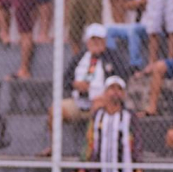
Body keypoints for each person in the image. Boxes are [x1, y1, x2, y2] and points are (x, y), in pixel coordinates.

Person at [40, 23, 129, 156]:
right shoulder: (80, 57)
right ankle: (54, 148)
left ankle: (92, 151)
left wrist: (106, 95)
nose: (96, 43)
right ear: (87, 41)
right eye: (93, 40)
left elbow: (121, 80)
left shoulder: (113, 58)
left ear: (104, 40)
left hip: (102, 101)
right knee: (55, 109)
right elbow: (66, 80)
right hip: (79, 100)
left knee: (98, 107)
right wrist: (76, 84)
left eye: (99, 39)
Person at [78, 76, 142, 172]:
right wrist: (82, 168)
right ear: (105, 92)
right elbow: (89, 142)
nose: (116, 92)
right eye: (112, 88)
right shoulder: (97, 116)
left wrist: (138, 168)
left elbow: (137, 142)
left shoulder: (129, 117)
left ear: (124, 94)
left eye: (119, 89)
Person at [106, 0, 153, 70]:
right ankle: (112, 62)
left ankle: (135, 65)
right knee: (110, 30)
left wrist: (138, 4)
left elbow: (151, 4)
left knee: (133, 31)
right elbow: (125, 5)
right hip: (137, 24)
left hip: (151, 25)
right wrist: (139, 3)